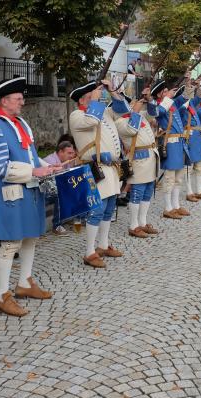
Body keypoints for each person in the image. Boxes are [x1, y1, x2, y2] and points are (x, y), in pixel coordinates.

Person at [0, 77, 56, 316]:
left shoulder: (21, 123)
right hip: (11, 193)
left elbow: (32, 157)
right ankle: (1, 295)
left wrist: (50, 166)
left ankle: (25, 283)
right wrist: (36, 171)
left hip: (29, 189)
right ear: (4, 101)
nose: (22, 102)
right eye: (18, 99)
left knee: (30, 238)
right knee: (11, 243)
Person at [69, 80, 128, 268]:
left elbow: (123, 110)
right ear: (82, 99)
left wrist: (112, 91)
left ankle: (102, 245)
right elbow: (91, 121)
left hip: (110, 168)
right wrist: (95, 100)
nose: (96, 98)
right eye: (90, 96)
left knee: (109, 208)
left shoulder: (101, 111)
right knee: (97, 210)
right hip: (94, 168)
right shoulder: (77, 115)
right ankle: (89, 252)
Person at [114, 93, 159, 238]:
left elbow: (154, 113)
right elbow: (132, 130)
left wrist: (150, 100)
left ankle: (143, 222)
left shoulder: (140, 116)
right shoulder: (120, 122)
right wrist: (135, 111)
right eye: (131, 104)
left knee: (147, 191)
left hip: (151, 156)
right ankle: (134, 225)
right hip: (138, 159)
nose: (133, 106)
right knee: (137, 192)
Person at [146, 81, 188, 220]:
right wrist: (167, 98)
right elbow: (155, 112)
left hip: (180, 143)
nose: (168, 93)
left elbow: (185, 97)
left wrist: (189, 85)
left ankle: (176, 205)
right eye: (164, 92)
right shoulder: (159, 106)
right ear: (159, 94)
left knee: (178, 178)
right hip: (170, 143)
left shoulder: (171, 103)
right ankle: (168, 207)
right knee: (169, 178)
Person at [42, 139, 77, 234]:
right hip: (43, 192)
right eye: (69, 153)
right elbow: (50, 184)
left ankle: (76, 218)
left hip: (54, 190)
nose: (71, 156)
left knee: (78, 188)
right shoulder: (50, 160)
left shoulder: (67, 162)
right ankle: (56, 226)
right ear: (60, 152)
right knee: (61, 194)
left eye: (72, 153)